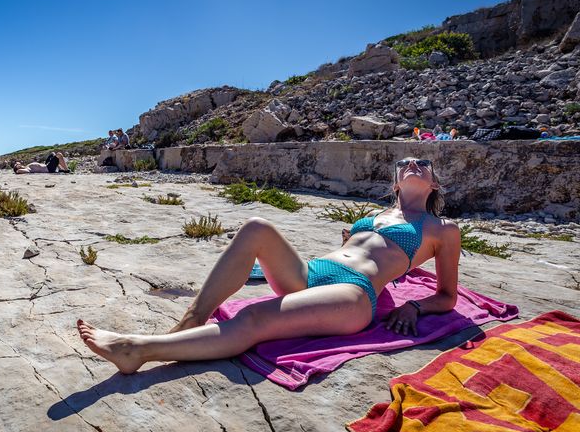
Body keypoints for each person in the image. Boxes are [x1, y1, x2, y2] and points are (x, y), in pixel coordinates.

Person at [77, 157, 460, 374]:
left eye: (422, 163)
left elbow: (446, 296)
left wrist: (414, 305)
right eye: (405, 163)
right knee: (256, 227)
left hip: (353, 294)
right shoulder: (377, 213)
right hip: (312, 273)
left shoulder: (442, 229)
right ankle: (194, 319)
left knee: (255, 318)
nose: (413, 165)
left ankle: (137, 349)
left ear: (434, 184)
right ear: (395, 183)